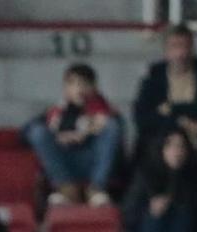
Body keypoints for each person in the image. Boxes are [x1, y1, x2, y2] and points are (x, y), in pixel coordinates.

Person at [21, 63, 122, 207]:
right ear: (66, 88)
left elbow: (116, 146)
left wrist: (92, 129)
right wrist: (57, 135)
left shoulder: (107, 112)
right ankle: (66, 188)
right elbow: (25, 135)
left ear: (94, 88)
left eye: (84, 84)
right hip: (64, 164)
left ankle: (96, 189)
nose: (79, 89)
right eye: (73, 84)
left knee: (112, 126)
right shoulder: (55, 112)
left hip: (93, 164)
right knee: (38, 132)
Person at [130, 23, 197, 159]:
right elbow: (142, 118)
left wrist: (171, 109)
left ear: (192, 48)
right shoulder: (152, 81)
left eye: (185, 46)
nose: (181, 53)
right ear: (166, 51)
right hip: (160, 144)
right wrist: (184, 122)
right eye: (175, 47)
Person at [123, 130, 197, 232]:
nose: (177, 152)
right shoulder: (146, 174)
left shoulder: (194, 175)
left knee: (182, 213)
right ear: (161, 149)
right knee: (157, 213)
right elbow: (129, 213)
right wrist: (151, 207)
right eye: (171, 146)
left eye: (182, 147)